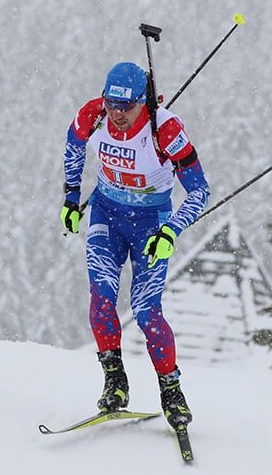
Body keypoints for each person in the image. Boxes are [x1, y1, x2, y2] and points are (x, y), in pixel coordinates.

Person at [60, 61, 210, 429]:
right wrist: (71, 197)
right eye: (112, 103)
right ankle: (115, 382)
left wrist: (171, 231)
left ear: (143, 102)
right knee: (102, 295)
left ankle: (172, 392)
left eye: (126, 107)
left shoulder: (166, 130)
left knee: (146, 313)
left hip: (151, 224)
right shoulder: (92, 115)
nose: (117, 114)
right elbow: (73, 150)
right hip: (106, 216)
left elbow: (200, 191)